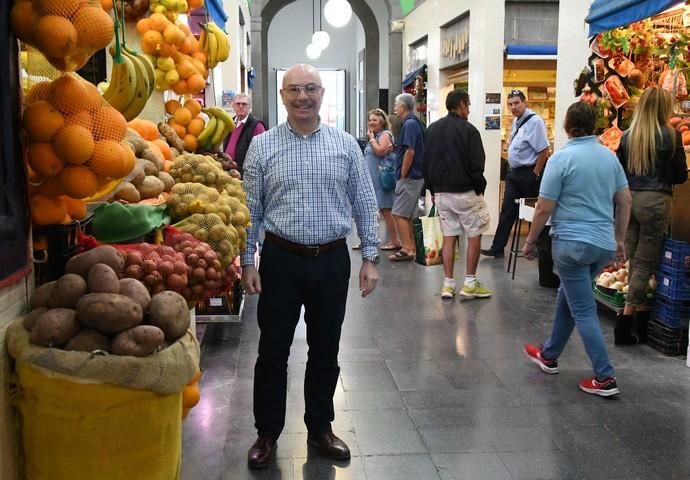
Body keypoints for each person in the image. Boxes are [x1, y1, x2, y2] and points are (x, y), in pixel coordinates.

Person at [240, 64, 380, 469]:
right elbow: (251, 209)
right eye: (294, 89)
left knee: (326, 348)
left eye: (311, 89)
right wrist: (248, 260)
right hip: (280, 261)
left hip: (331, 260)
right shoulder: (263, 147)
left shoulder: (344, 146)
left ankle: (320, 428)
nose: (303, 96)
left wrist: (370, 257)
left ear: (322, 94)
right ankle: (267, 432)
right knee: (272, 350)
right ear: (282, 96)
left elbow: (366, 204)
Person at [522, 101, 632, 397]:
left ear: (568, 127)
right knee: (568, 296)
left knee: (583, 309)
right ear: (594, 125)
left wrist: (531, 241)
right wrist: (619, 239)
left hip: (571, 244)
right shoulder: (609, 159)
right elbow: (625, 200)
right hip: (602, 244)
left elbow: (544, 207)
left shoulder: (561, 159)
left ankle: (605, 377)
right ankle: (549, 354)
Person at [615, 87, 688, 344]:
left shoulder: (627, 137)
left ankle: (639, 320)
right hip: (657, 202)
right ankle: (625, 322)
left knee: (635, 261)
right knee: (645, 263)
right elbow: (680, 175)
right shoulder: (671, 135)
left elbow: (619, 173)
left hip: (630, 201)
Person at [423, 89, 492, 299]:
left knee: (449, 236)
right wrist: (479, 186)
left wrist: (432, 190)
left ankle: (448, 284)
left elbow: (425, 163)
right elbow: (476, 165)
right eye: (468, 105)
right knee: (474, 234)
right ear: (461, 104)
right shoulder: (469, 131)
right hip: (466, 192)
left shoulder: (432, 130)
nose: (469, 110)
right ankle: (470, 281)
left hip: (442, 194)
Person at [481, 89, 550, 259]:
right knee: (507, 211)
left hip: (529, 173)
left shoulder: (535, 122)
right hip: (515, 173)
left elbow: (544, 150)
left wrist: (535, 173)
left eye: (517, 103)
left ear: (524, 102)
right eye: (510, 104)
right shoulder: (516, 121)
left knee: (537, 212)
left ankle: (543, 251)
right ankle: (497, 248)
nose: (514, 107)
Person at [352, 109, 400, 251]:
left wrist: (372, 139)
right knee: (368, 211)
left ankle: (395, 241)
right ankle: (367, 239)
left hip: (381, 181)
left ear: (382, 121)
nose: (371, 122)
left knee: (386, 210)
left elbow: (380, 151)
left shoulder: (384, 135)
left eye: (375, 120)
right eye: (370, 120)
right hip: (371, 180)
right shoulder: (375, 135)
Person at [389, 93, 425, 262]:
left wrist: (403, 174)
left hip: (410, 176)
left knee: (399, 213)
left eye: (396, 105)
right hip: (414, 176)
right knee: (407, 214)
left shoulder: (410, 124)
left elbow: (410, 151)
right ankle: (411, 247)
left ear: (403, 106)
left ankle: (407, 248)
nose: (395, 108)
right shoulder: (413, 122)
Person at [223, 93, 266, 174]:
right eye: (238, 104)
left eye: (244, 104)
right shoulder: (229, 124)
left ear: (249, 107)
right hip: (228, 172)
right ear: (233, 106)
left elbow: (262, 153)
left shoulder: (256, 125)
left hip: (245, 174)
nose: (241, 106)